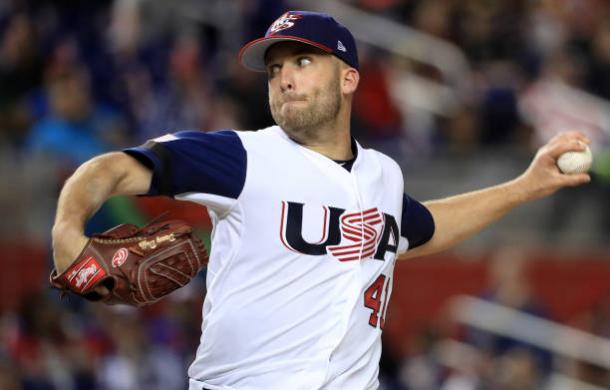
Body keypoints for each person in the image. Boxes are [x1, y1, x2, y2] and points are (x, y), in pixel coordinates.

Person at [51, 10, 591, 390]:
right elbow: (111, 168)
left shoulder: (383, 175)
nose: (284, 77)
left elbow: (422, 229)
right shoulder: (241, 157)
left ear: (350, 77)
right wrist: (67, 236)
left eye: (302, 62)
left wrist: (528, 185)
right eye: (274, 69)